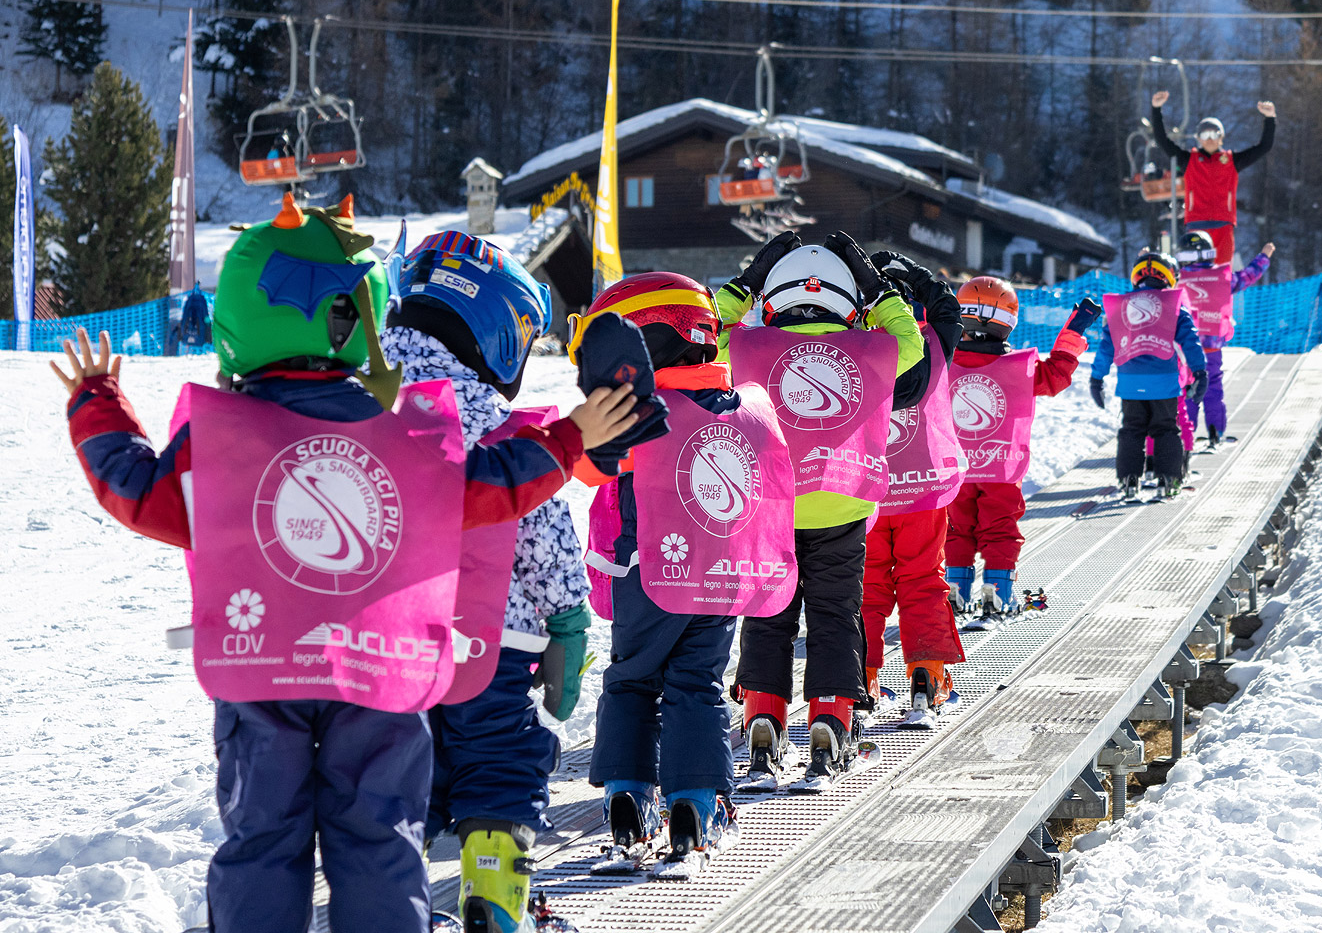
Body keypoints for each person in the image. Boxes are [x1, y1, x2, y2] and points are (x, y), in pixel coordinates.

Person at [52, 194, 639, 933]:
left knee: (263, 838)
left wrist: (97, 405)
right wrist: (567, 439)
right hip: (376, 670)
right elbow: (492, 489)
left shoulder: (222, 437)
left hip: (260, 668)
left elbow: (136, 491)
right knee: (377, 837)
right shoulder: (405, 431)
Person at [379, 230, 589, 933]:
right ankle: (495, 898)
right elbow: (545, 531)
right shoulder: (497, 422)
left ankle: (388, 899)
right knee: (501, 762)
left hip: (385, 643)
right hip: (493, 642)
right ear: (499, 334)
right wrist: (568, 620)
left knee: (393, 776)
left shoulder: (361, 407)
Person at [575, 273, 795, 876]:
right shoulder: (746, 408)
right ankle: (694, 808)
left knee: (631, 679)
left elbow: (592, 481)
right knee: (697, 683)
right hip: (720, 573)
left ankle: (626, 801)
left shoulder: (638, 415)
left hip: (645, 575)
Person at [716, 230, 924, 791]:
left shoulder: (746, 347)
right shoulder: (870, 348)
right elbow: (913, 343)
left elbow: (704, 332)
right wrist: (879, 289)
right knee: (836, 614)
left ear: (773, 298)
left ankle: (763, 717)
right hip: (842, 502)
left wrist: (744, 282)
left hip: (768, 506)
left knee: (769, 613)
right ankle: (832, 721)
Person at [945, 277, 1100, 623]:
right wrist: (1074, 331)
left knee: (956, 527)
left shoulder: (942, 361)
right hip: (1000, 467)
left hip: (954, 468)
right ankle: (998, 593)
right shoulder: (1018, 366)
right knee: (1000, 528)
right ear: (1009, 322)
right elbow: (1057, 374)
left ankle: (955, 589)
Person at [858, 250, 966, 728]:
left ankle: (860, 678)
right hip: (922, 491)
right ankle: (927, 676)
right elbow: (948, 310)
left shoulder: (851, 349)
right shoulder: (934, 344)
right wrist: (918, 275)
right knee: (923, 581)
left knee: (867, 588)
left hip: (865, 493)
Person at [1090, 250, 1207, 501]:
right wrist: (1200, 372)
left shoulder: (1122, 306)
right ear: (1169, 277)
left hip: (1130, 382)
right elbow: (1191, 341)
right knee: (1165, 429)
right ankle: (1169, 479)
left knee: (1132, 429)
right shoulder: (1173, 304)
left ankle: (1129, 479)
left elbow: (1107, 345)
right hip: (1164, 381)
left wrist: (1096, 378)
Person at [1151, 91, 1276, 267]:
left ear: (1221, 138)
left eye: (1214, 134)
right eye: (1204, 135)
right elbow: (1162, 141)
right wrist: (1156, 109)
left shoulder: (1232, 161)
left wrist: (1270, 118)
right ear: (1198, 139)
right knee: (1195, 273)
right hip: (1196, 224)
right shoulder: (1189, 160)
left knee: (1222, 274)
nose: (1209, 139)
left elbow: (1264, 147)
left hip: (1223, 225)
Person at [1174, 230, 1275, 445]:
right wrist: (1264, 256)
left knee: (1188, 389)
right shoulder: (1222, 277)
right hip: (1211, 346)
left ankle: (1185, 436)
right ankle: (1215, 432)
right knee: (1212, 388)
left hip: (1184, 349)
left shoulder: (1177, 279)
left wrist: (1143, 258)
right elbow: (1249, 275)